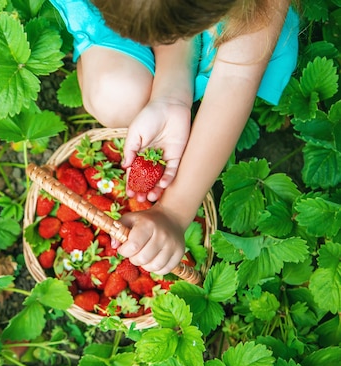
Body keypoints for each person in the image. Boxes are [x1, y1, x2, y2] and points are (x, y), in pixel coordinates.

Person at [49, 0, 300, 275]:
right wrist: (171, 93)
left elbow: (235, 79)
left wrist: (175, 210)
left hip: (230, 17)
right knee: (116, 97)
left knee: (241, 45)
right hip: (164, 15)